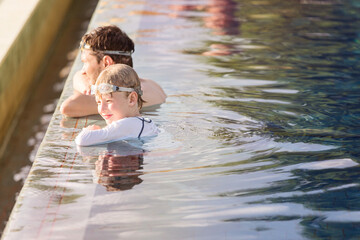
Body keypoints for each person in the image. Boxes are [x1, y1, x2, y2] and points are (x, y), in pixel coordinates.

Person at [60, 25, 166, 117]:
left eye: (86, 62)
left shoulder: (119, 96)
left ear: (106, 62)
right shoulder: (151, 84)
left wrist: (83, 84)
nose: (83, 71)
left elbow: (67, 107)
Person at [75, 64, 159, 146]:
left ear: (132, 99)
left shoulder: (127, 124)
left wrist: (89, 130)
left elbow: (82, 140)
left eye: (108, 101)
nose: (101, 109)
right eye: (99, 102)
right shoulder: (142, 124)